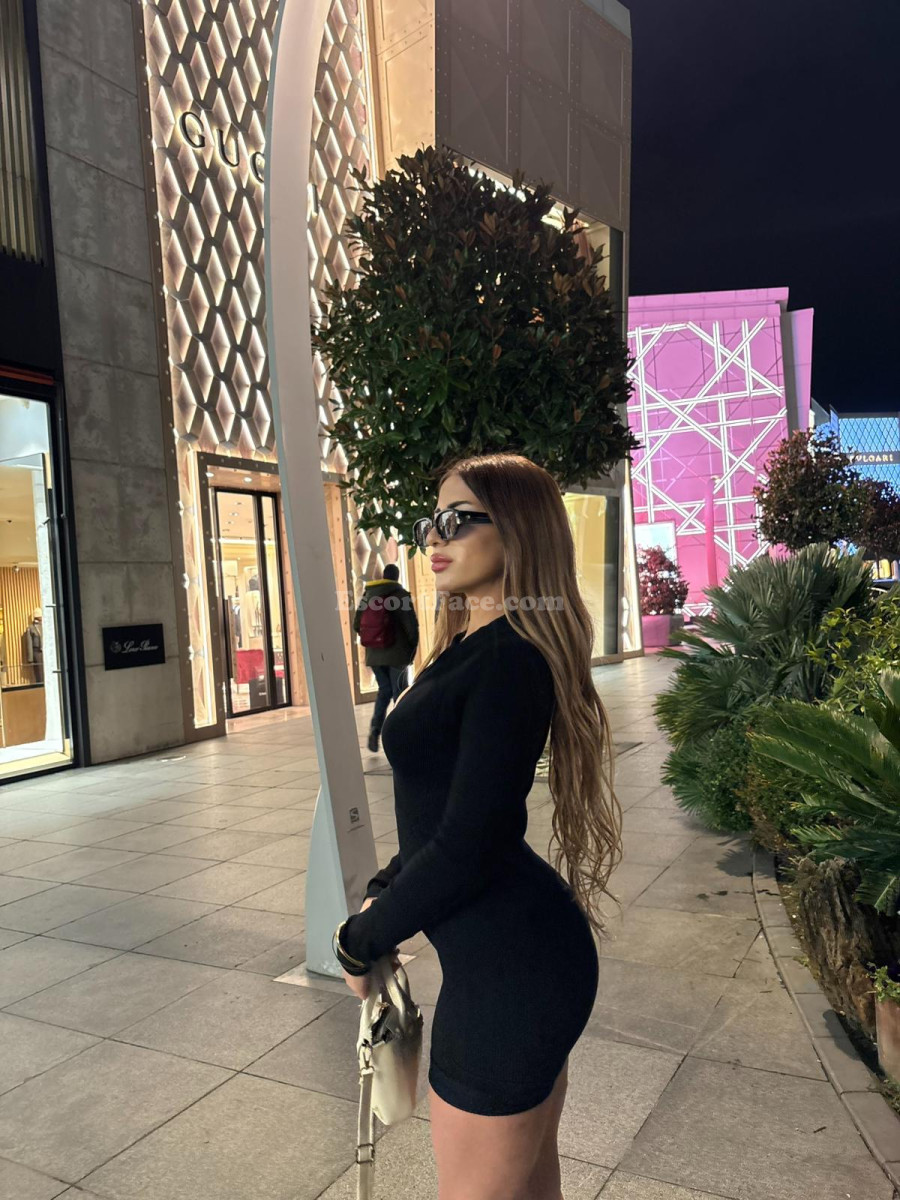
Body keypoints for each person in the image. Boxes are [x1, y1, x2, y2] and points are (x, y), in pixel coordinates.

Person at [334, 452, 622, 1200]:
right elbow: (447, 813)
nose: (436, 536)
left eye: (459, 520)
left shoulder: (509, 660)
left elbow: (470, 842)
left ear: (517, 529)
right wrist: (385, 886)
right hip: (515, 961)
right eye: (432, 521)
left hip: (511, 978)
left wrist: (361, 938)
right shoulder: (472, 644)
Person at [352, 562, 419, 753]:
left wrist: (375, 639)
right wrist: (412, 648)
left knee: (384, 691)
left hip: (374, 655)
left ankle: (375, 730)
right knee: (400, 693)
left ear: (383, 575)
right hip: (397, 654)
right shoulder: (400, 595)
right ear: (397, 577)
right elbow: (410, 626)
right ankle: (402, 736)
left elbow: (357, 624)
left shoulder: (368, 595)